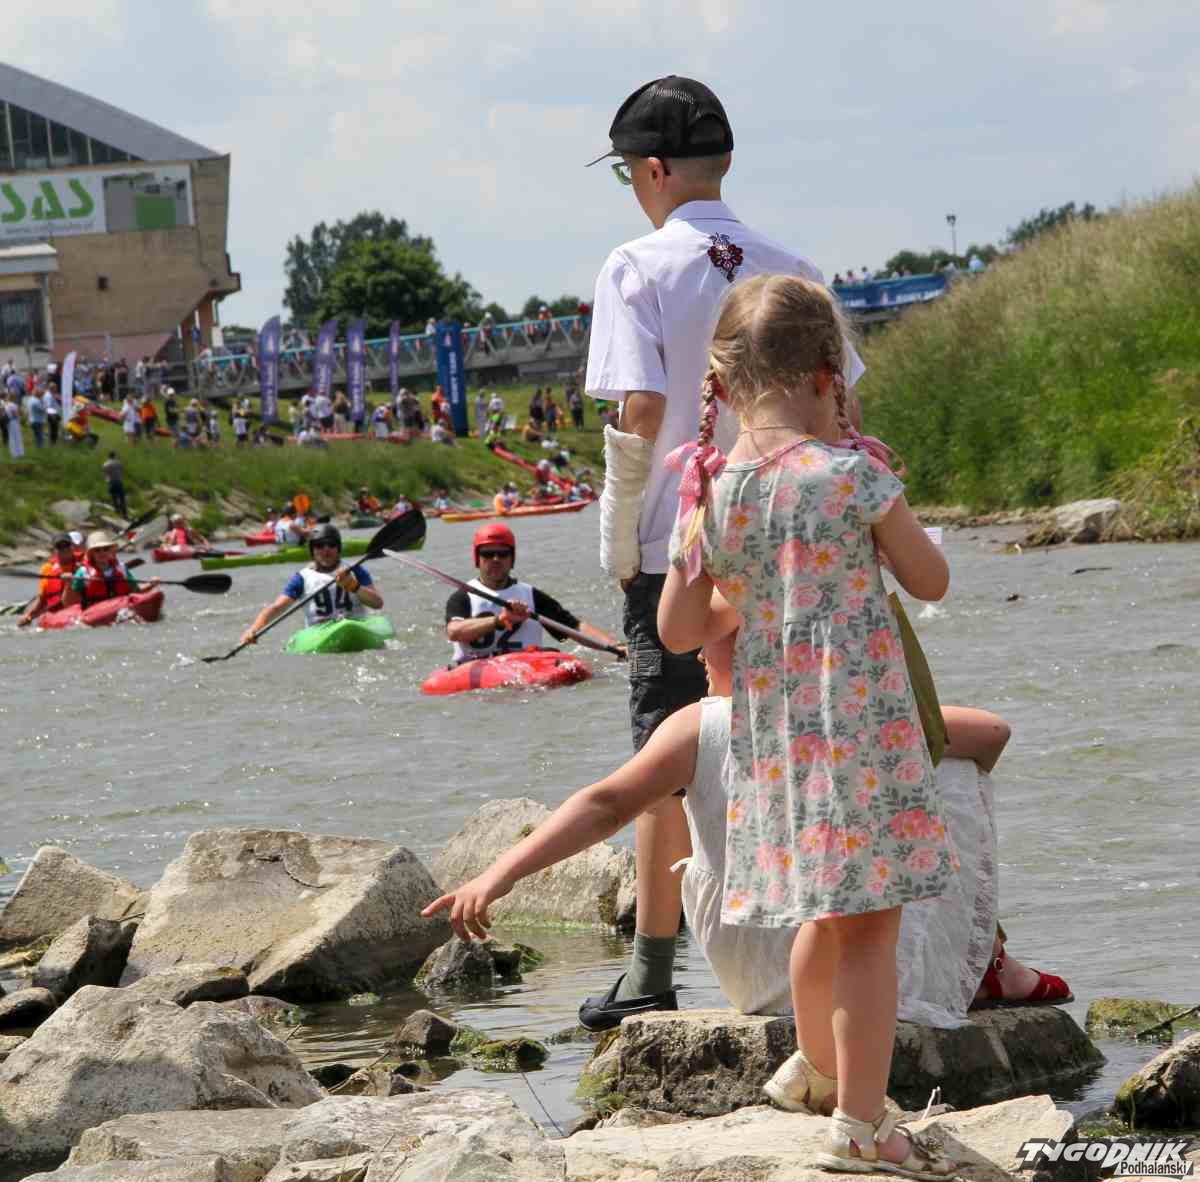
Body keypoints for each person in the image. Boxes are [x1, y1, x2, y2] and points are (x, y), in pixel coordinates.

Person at [653, 274, 953, 1176]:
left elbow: (680, 631)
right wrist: (874, 482)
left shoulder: (715, 490)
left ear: (724, 384)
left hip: (778, 741)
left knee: (822, 913)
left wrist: (742, 584)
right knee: (869, 930)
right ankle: (862, 1127)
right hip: (860, 734)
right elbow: (930, 580)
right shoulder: (852, 476)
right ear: (829, 376)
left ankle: (819, 1073)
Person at [581, 74, 864, 1027]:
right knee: (815, 736)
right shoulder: (793, 265)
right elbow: (842, 409)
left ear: (654, 169)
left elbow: (641, 412)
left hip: (688, 544)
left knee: (669, 748)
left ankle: (652, 970)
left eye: (628, 171)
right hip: (800, 537)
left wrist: (619, 532)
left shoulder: (634, 266)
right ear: (726, 160)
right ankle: (834, 947)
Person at [444, 524, 622, 665]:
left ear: (512, 559)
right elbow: (454, 632)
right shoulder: (463, 597)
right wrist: (499, 620)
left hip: (527, 670)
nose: (496, 559)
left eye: (503, 554)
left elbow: (574, 626)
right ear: (478, 559)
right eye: (488, 554)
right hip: (480, 670)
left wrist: (617, 647)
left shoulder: (530, 595)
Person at [239, 524, 383, 645]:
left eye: (331, 544)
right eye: (319, 545)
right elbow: (277, 607)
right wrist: (254, 629)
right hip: (319, 634)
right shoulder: (302, 578)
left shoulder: (355, 570)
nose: (326, 549)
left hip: (355, 626)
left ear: (338, 548)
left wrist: (355, 587)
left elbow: (377, 603)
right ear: (312, 550)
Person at [64, 531, 158, 608]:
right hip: (95, 611)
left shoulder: (121, 568)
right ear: (91, 554)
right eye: (97, 550)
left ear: (110, 551)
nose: (102, 553)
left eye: (105, 549)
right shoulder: (83, 573)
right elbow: (68, 603)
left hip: (121, 608)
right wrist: (68, 584)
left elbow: (136, 591)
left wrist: (150, 585)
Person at [18, 534, 80, 627]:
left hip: (75, 611)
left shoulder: (82, 566)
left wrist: (70, 581)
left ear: (72, 547)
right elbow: (42, 599)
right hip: (54, 615)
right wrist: (29, 616)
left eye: (66, 545)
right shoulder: (48, 570)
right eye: (59, 547)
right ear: (54, 551)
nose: (64, 549)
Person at [102, 452, 129, 518]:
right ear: (114, 456)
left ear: (108, 456)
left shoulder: (105, 464)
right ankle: (124, 514)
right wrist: (120, 477)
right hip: (119, 482)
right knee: (122, 499)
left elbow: (105, 475)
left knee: (114, 499)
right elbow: (122, 471)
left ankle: (117, 513)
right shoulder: (119, 463)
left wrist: (107, 481)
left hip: (111, 483)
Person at [5, 393, 24, 459]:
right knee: (17, 437)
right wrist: (20, 414)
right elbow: (15, 414)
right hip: (14, 422)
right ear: (13, 398)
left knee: (12, 438)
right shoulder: (13, 405)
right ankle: (19, 453)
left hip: (9, 422)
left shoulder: (6, 405)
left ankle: (14, 453)